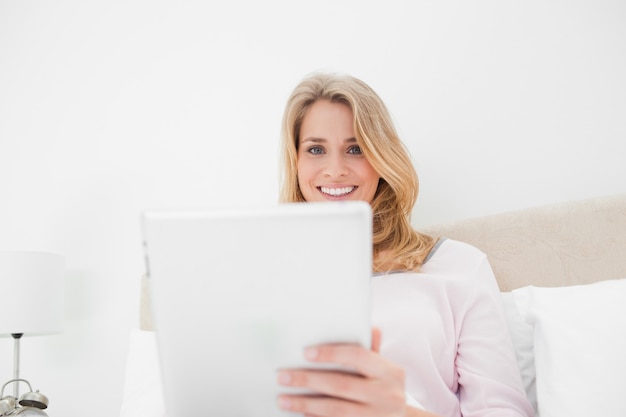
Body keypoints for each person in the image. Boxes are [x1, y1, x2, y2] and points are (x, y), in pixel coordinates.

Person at [275, 72, 534, 417]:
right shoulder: (266, 275)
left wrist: (398, 412)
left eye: (355, 149)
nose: (334, 170)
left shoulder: (458, 268)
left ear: (381, 158)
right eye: (316, 149)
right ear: (296, 162)